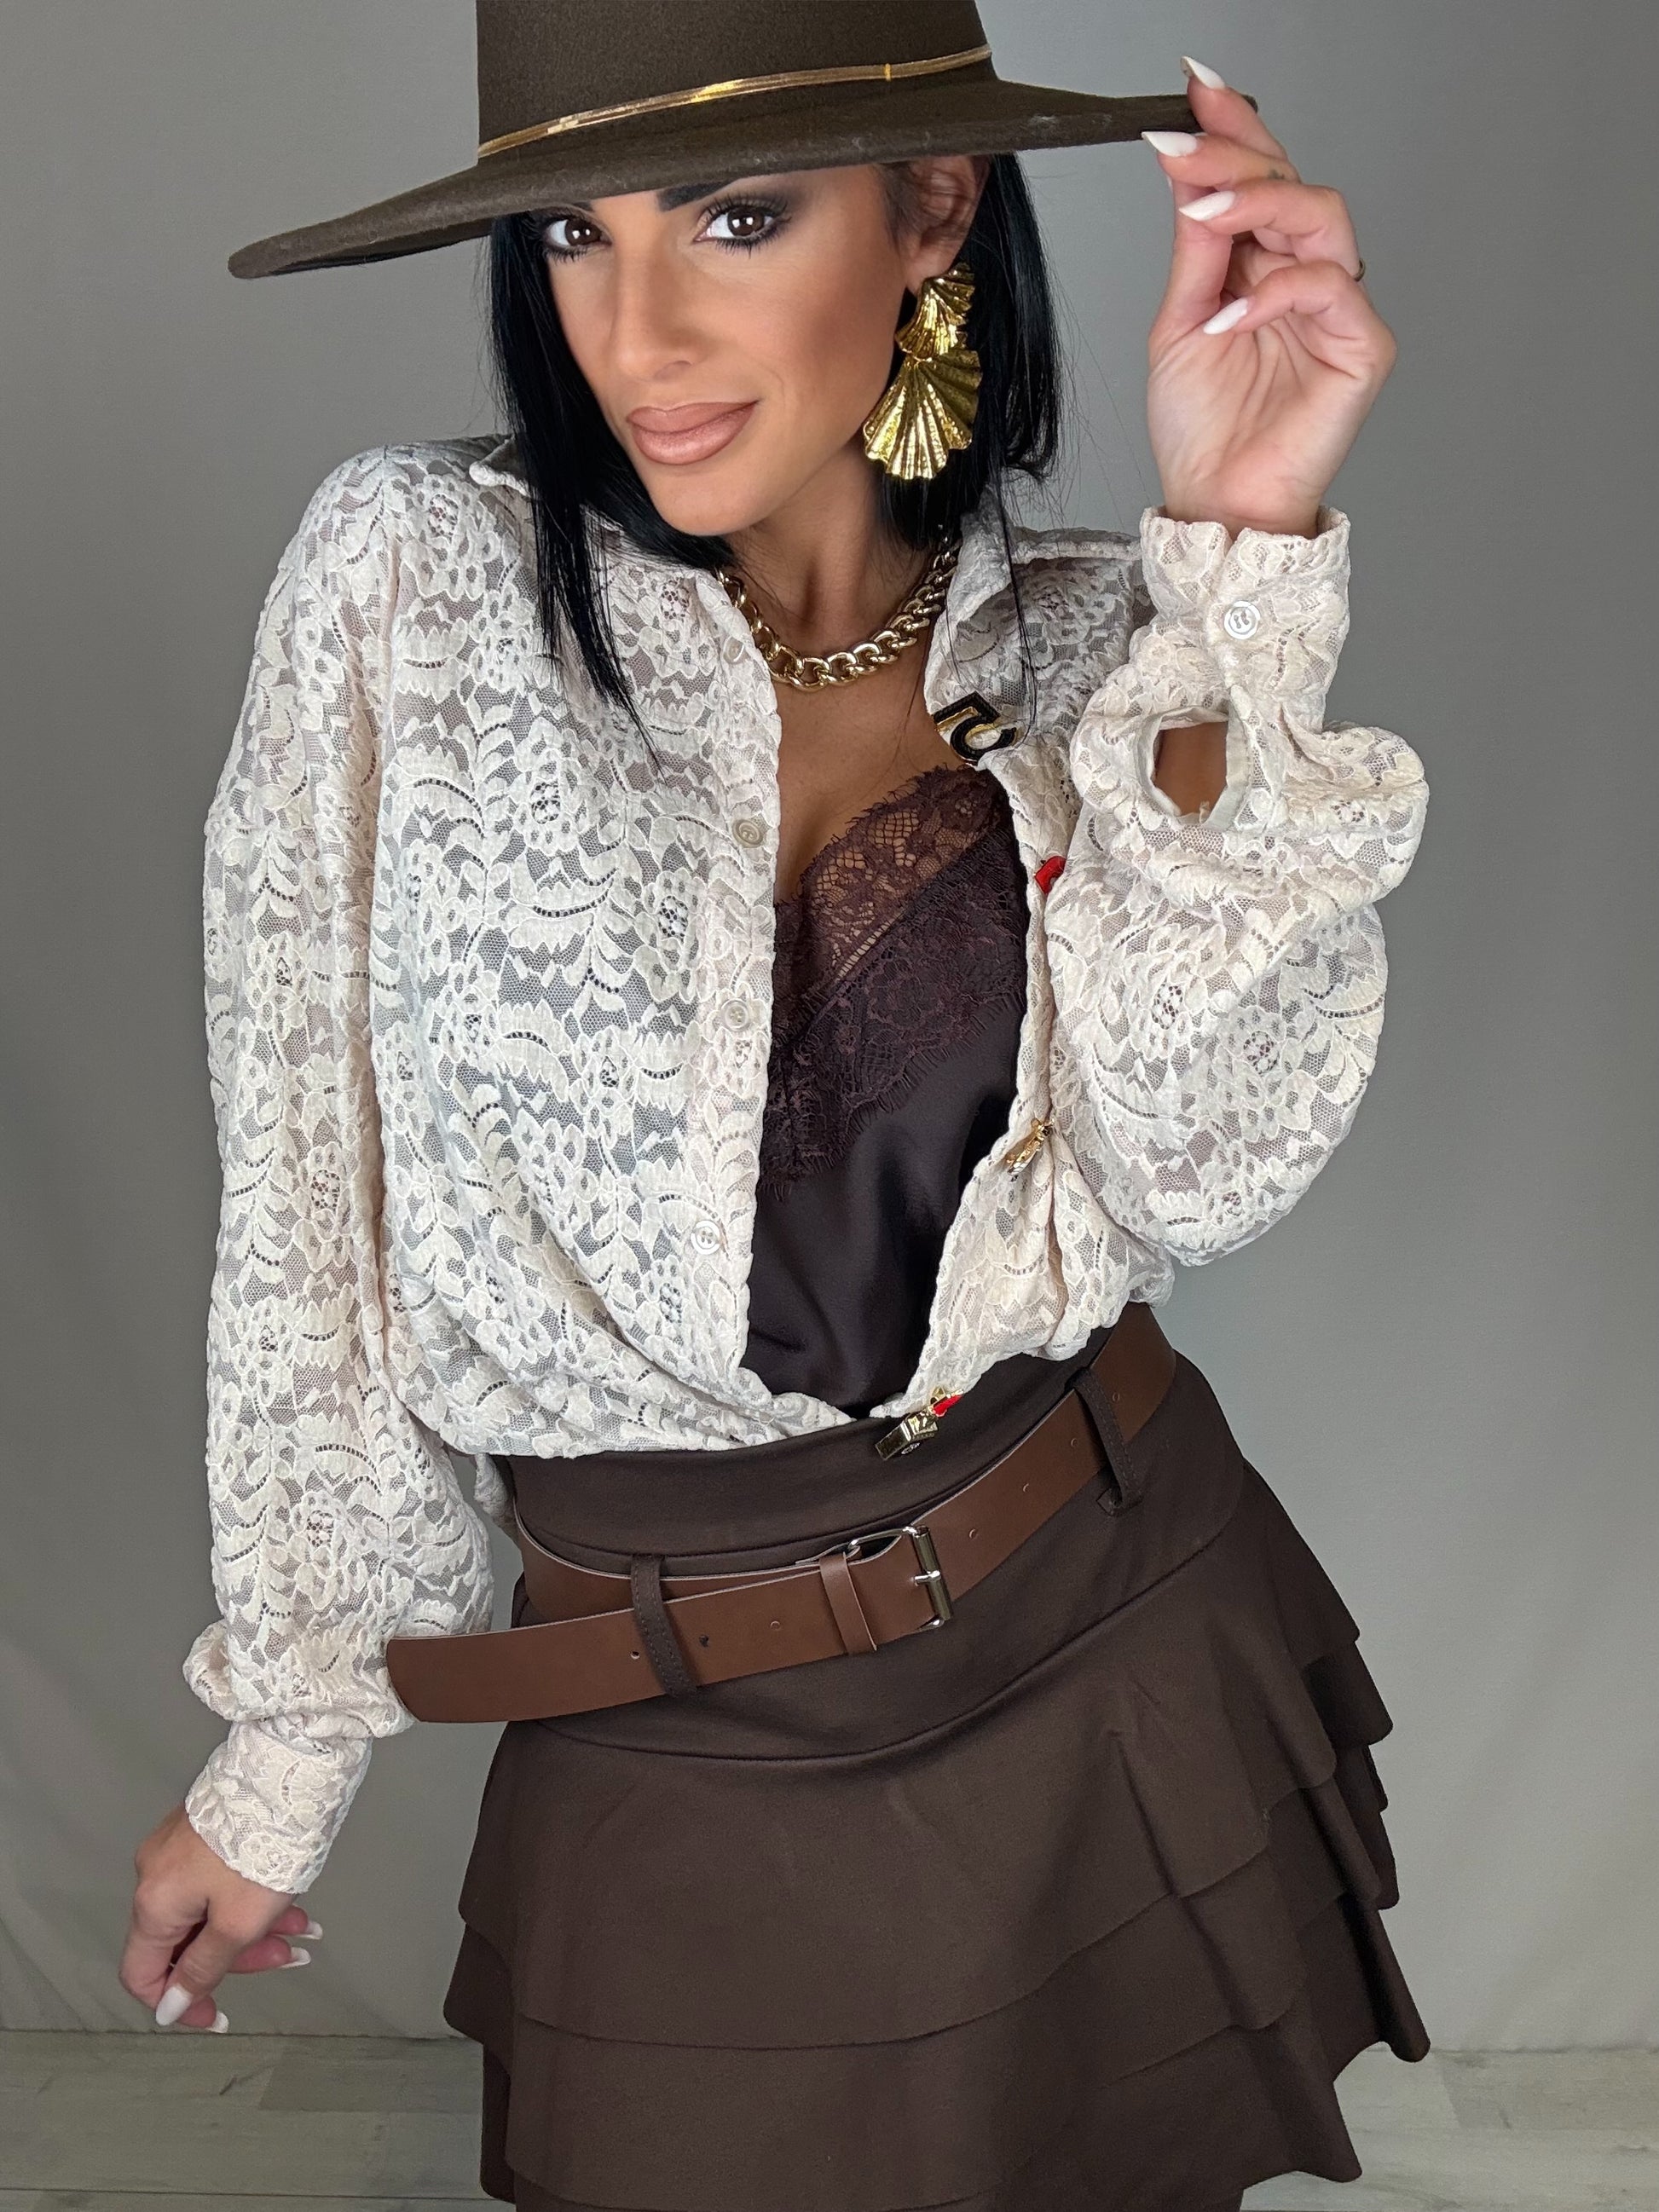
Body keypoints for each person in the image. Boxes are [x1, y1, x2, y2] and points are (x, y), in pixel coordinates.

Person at [120, 6, 1433, 2205]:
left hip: (1106, 1629)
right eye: (574, 234)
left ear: (932, 211)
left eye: (735, 219)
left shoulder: (1112, 650)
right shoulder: (411, 588)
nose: (636, 332)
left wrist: (1240, 555)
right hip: (666, 1713)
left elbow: (1203, 1167)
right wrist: (284, 1753)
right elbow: (308, 1227)